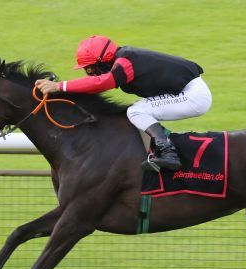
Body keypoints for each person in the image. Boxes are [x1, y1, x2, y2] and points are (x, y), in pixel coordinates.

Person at [35, 35, 212, 172]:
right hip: (188, 91)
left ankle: (168, 153)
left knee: (136, 111)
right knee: (139, 109)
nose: (89, 73)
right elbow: (99, 83)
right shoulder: (124, 58)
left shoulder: (125, 62)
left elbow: (103, 83)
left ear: (102, 60)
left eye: (90, 68)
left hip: (193, 95)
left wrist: (59, 86)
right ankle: (161, 148)